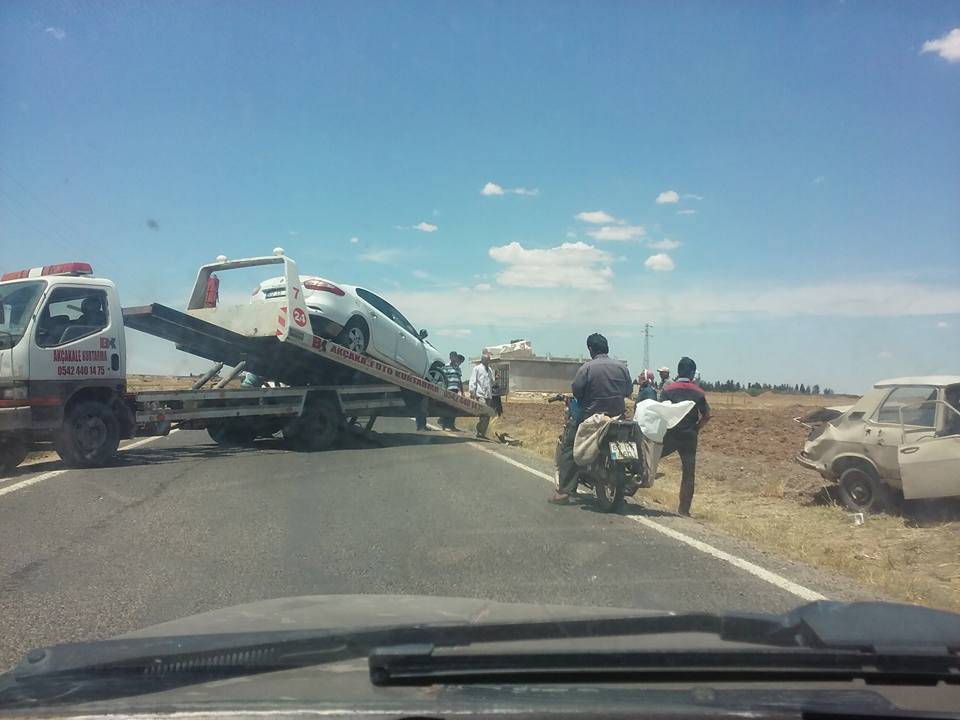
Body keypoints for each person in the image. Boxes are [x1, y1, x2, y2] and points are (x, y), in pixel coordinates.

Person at [551, 333, 633, 504]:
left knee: (569, 447)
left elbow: (577, 392)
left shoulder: (587, 368)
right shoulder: (622, 368)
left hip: (592, 419)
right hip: (617, 418)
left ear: (590, 349)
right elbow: (628, 391)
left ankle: (564, 491)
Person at [659, 356, 710, 516]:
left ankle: (632, 484)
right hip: (689, 436)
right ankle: (684, 510)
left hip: (670, 434)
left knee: (651, 458)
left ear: (678, 371)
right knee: (688, 472)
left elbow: (662, 411)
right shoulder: (698, 392)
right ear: (692, 373)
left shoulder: (668, 390)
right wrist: (697, 428)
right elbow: (707, 415)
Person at [469, 351, 496, 439]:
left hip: (488, 395)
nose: (488, 361)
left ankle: (482, 432)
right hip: (480, 394)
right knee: (484, 413)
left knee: (487, 414)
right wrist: (472, 391)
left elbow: (492, 381)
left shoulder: (490, 370)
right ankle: (479, 430)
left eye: (489, 360)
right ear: (482, 360)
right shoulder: (477, 368)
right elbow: (473, 380)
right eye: (487, 360)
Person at [439, 352, 464, 431]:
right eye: (453, 357)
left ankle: (451, 425)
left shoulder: (458, 368)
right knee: (447, 407)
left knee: (454, 408)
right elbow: (442, 377)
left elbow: (459, 380)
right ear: (450, 358)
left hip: (455, 389)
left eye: (455, 357)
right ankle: (444, 424)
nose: (454, 359)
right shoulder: (446, 367)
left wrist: (462, 392)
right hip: (448, 389)